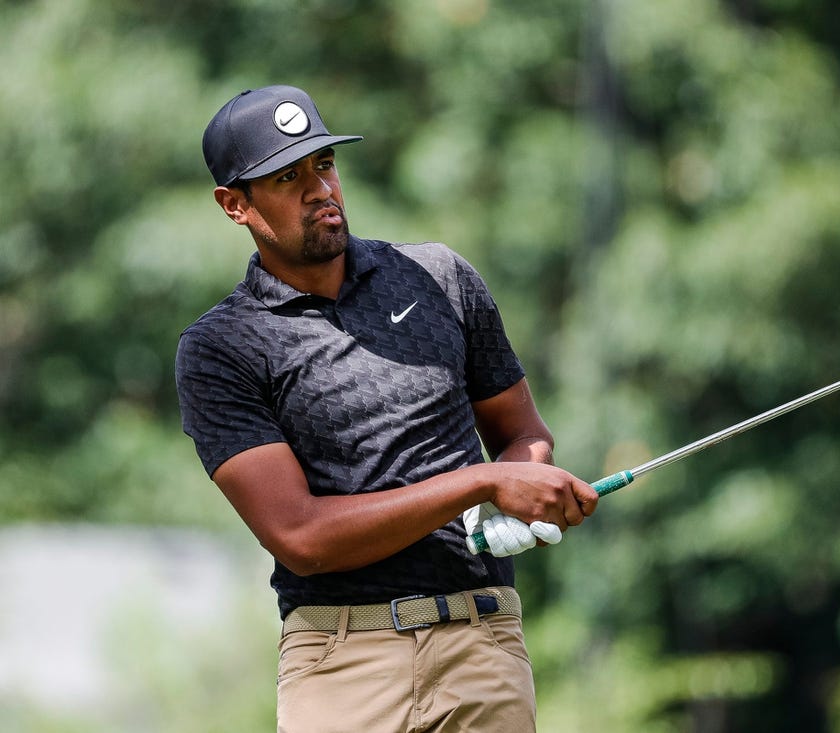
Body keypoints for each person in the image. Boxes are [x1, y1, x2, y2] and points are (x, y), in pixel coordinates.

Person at [175, 85, 599, 732]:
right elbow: (302, 537)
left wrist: (521, 486)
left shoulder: (439, 276)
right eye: (288, 177)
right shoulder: (223, 346)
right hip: (342, 662)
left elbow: (522, 434)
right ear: (235, 204)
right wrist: (483, 482)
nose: (320, 189)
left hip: (481, 640)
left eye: (324, 164)